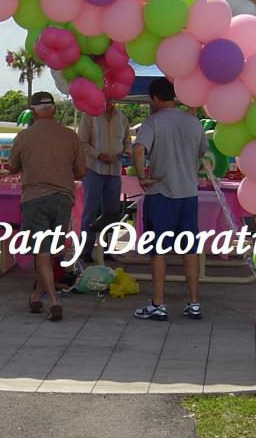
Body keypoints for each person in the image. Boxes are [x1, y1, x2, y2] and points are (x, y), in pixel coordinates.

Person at [131, 78, 208, 322]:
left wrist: (142, 176)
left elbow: (138, 148)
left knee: (158, 252)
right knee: (190, 250)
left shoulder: (152, 122)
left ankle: (158, 303)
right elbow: (203, 150)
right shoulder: (193, 122)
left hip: (161, 193)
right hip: (188, 193)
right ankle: (194, 302)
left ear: (155, 99)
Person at [7, 91, 85, 321]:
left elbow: (12, 167)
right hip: (62, 198)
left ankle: (52, 300)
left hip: (34, 197)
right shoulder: (70, 136)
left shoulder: (24, 136)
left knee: (41, 251)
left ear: (32, 111)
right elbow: (81, 171)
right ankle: (35, 295)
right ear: (52, 109)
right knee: (51, 250)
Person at [76, 97, 131, 262]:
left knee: (112, 212)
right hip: (94, 169)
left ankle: (109, 249)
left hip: (114, 170)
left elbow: (127, 139)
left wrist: (127, 150)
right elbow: (82, 142)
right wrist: (97, 155)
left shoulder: (122, 117)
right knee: (90, 211)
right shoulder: (89, 116)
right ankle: (86, 250)